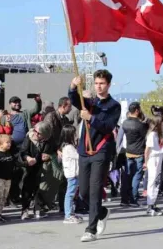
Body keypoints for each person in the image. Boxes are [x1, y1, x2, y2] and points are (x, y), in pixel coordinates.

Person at [68, 70, 121, 243]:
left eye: (102, 83)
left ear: (108, 85)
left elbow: (107, 126)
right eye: (97, 83)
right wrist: (73, 86)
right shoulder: (90, 102)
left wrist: (90, 118)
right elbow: (75, 100)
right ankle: (102, 212)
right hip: (84, 151)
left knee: (95, 190)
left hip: (101, 151)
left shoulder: (114, 105)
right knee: (83, 192)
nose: (99, 86)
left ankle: (90, 230)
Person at [19, 121, 53, 220]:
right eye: (35, 131)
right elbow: (23, 152)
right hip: (29, 167)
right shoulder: (29, 138)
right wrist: (28, 158)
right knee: (27, 189)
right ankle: (24, 210)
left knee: (37, 189)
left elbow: (50, 151)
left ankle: (37, 209)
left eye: (39, 133)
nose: (36, 134)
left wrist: (48, 156)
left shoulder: (47, 141)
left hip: (39, 167)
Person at [120, 102, 147, 207]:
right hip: (139, 152)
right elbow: (145, 137)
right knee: (136, 176)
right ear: (137, 110)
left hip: (128, 151)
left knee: (126, 176)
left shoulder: (125, 123)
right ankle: (133, 198)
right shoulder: (140, 125)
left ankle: (124, 199)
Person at [60, 124, 82, 224]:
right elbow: (79, 156)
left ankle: (71, 213)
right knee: (70, 194)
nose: (76, 135)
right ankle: (68, 215)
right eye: (74, 133)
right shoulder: (68, 147)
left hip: (74, 173)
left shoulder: (69, 146)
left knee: (72, 194)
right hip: (72, 174)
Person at [144, 114, 163, 216]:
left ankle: (153, 203)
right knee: (152, 181)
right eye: (162, 122)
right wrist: (146, 162)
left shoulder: (158, 134)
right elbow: (147, 150)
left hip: (159, 157)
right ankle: (150, 205)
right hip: (153, 159)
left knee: (156, 181)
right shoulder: (152, 134)